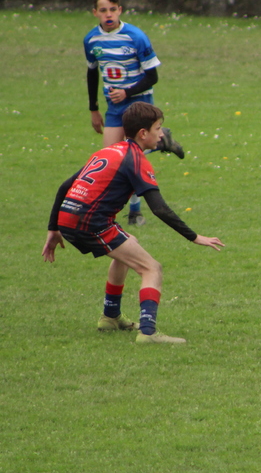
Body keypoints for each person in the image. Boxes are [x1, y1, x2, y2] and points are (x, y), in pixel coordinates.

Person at [42, 102, 223, 344]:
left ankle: (110, 317)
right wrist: (195, 237)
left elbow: (65, 186)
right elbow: (159, 209)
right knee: (151, 268)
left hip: (69, 217)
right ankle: (148, 332)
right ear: (143, 133)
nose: (162, 134)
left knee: (129, 243)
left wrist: (54, 228)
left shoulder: (109, 151)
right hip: (90, 221)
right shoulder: (135, 160)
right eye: (158, 128)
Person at [85, 0, 185, 226]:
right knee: (110, 159)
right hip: (114, 107)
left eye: (112, 9)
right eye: (103, 10)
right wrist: (94, 109)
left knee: (130, 158)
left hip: (139, 104)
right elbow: (92, 73)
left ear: (120, 10)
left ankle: (134, 213)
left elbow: (152, 77)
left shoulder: (136, 37)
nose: (108, 14)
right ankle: (162, 142)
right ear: (95, 13)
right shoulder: (91, 40)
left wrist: (127, 92)